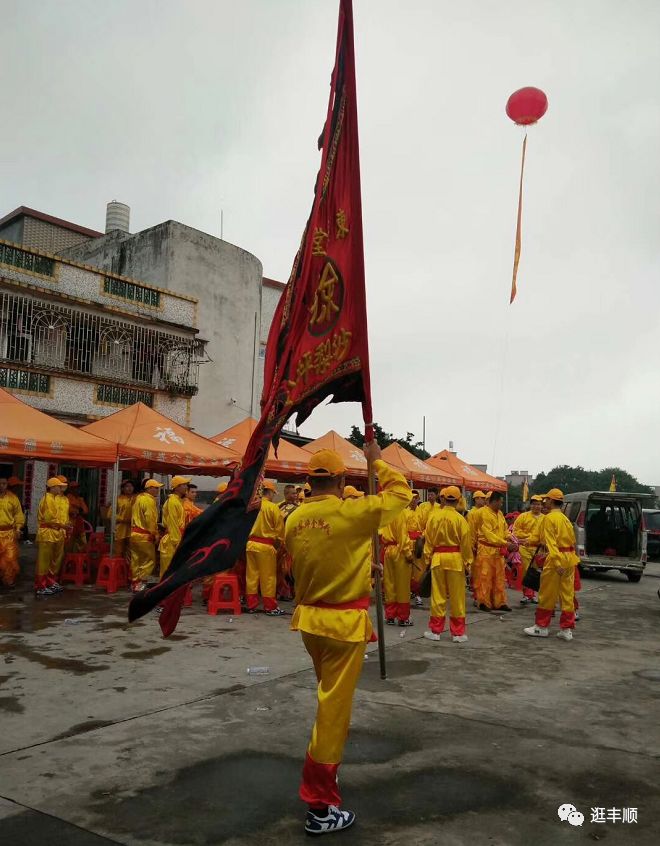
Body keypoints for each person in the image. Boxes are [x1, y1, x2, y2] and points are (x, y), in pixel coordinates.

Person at [285, 443, 411, 835]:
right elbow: (402, 494)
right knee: (333, 712)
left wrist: (360, 566)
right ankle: (320, 806)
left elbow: (314, 559)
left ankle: (325, 783)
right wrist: (376, 458)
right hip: (342, 626)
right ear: (340, 481)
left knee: (328, 700)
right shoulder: (353, 512)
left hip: (309, 621)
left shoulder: (294, 518)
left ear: (309, 481)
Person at [524, 488, 579, 641]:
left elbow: (551, 543)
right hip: (569, 558)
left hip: (557, 559)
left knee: (547, 594)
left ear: (551, 501)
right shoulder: (565, 519)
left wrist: (556, 561)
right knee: (567, 595)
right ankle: (566, 630)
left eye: (546, 499)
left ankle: (541, 627)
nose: (544, 502)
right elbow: (572, 541)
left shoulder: (549, 518)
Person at [423, 485, 473, 642]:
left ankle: (436, 631)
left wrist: (427, 560)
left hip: (437, 558)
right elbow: (466, 544)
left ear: (443, 499)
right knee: (457, 597)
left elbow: (428, 542)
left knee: (438, 595)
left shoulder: (434, 516)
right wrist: (468, 563)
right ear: (458, 500)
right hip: (456, 559)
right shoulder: (460, 519)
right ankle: (458, 633)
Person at [245, 479, 285, 615]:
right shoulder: (273, 508)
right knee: (268, 577)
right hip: (265, 546)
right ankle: (270, 607)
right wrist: (279, 545)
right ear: (270, 492)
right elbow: (280, 531)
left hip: (250, 544)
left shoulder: (252, 505)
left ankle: (251, 605)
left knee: (251, 576)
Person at [474, 491, 513, 612]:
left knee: (499, 577)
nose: (502, 504)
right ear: (494, 501)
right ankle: (483, 602)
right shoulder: (482, 513)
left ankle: (500, 602)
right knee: (485, 577)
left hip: (498, 550)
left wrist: (511, 537)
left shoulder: (500, 513)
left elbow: (505, 529)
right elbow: (488, 534)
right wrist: (506, 543)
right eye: (501, 502)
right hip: (486, 549)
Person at [380, 500, 414, 626]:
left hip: (388, 550)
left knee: (389, 584)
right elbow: (402, 537)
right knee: (402, 585)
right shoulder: (400, 514)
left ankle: (390, 615)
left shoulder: (387, 513)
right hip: (399, 551)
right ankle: (403, 617)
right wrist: (408, 554)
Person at [35, 478, 69, 596]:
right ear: (53, 487)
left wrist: (63, 527)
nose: (60, 489)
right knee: (44, 561)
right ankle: (41, 586)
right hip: (47, 533)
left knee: (53, 560)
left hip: (56, 532)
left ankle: (49, 582)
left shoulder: (55, 499)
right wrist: (63, 525)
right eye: (59, 487)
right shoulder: (47, 499)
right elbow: (50, 519)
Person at [129, 479, 163, 592]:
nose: (158, 490)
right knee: (149, 560)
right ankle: (141, 584)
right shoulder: (149, 500)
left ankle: (135, 582)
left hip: (134, 534)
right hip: (144, 535)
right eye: (156, 488)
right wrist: (155, 533)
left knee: (136, 560)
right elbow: (150, 519)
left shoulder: (138, 498)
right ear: (149, 489)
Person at [512, 495, 543, 604]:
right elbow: (516, 531)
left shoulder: (544, 518)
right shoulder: (523, 516)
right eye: (534, 504)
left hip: (538, 550)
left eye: (538, 504)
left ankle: (533, 594)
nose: (536, 506)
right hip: (525, 548)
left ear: (541, 506)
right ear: (530, 505)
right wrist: (530, 537)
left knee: (535, 573)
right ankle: (526, 594)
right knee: (526, 571)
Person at [159, 476, 191, 579]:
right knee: (168, 570)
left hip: (176, 537)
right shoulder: (173, 501)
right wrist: (176, 542)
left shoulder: (178, 501)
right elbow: (173, 524)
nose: (186, 487)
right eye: (184, 485)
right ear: (177, 487)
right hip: (172, 541)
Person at [0, 477, 25, 588]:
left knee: (10, 558)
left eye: (4, 483)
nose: (1, 485)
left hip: (9, 533)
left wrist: (18, 528)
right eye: (0, 483)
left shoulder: (13, 498)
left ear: (7, 485)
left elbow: (18, 514)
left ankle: (8, 580)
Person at [114, 480, 135, 561]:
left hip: (132, 528)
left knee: (131, 550)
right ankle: (119, 569)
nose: (129, 488)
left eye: (131, 486)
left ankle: (129, 570)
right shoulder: (118, 499)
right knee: (119, 550)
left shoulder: (136, 498)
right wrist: (122, 519)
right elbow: (110, 514)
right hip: (120, 528)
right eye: (127, 486)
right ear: (122, 489)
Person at [66, 481, 89, 552]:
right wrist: (77, 510)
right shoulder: (67, 498)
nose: (77, 490)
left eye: (78, 488)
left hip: (79, 523)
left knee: (83, 543)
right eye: (75, 488)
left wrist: (78, 510)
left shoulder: (80, 499)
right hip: (70, 523)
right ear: (71, 489)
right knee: (69, 544)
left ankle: (80, 559)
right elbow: (69, 511)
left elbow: (86, 511)